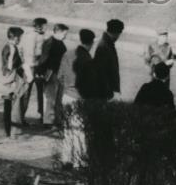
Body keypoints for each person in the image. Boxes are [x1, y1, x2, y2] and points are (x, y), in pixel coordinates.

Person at [59, 28, 95, 167]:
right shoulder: (87, 59)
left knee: (68, 128)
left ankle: (66, 158)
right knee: (80, 130)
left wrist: (67, 86)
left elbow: (60, 76)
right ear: (91, 43)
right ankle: (79, 161)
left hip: (67, 95)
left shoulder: (67, 54)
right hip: (80, 97)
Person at [38, 23, 69, 128]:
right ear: (58, 32)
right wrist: (41, 74)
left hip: (59, 74)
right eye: (64, 33)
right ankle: (48, 122)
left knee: (58, 99)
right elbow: (43, 60)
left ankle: (57, 121)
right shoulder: (50, 43)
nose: (66, 36)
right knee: (51, 99)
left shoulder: (59, 43)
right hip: (51, 74)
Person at [0, 26, 28, 139]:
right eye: (20, 37)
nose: (20, 39)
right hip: (11, 80)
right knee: (12, 105)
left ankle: (8, 131)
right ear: (16, 38)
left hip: (7, 79)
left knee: (8, 105)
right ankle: (11, 131)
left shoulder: (8, 47)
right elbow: (10, 66)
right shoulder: (12, 48)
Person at [22, 17, 49, 124]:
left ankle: (40, 115)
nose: (46, 28)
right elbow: (34, 53)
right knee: (33, 92)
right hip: (34, 67)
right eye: (45, 25)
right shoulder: (35, 37)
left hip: (33, 66)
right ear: (40, 26)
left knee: (34, 91)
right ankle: (39, 115)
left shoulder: (32, 35)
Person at [93, 19, 124, 100]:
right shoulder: (105, 46)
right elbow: (101, 72)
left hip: (106, 91)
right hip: (105, 93)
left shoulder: (107, 44)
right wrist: (110, 93)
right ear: (117, 33)